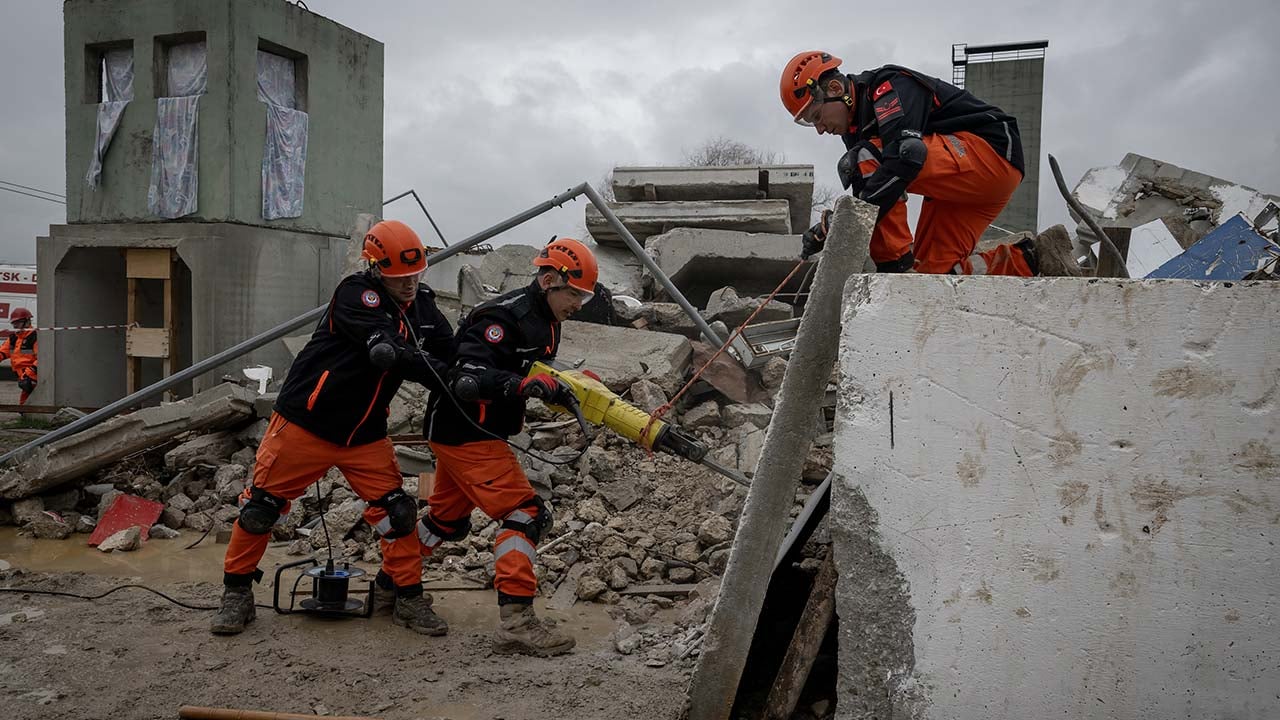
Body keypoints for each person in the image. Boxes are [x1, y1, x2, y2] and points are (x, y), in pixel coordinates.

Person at [211, 220, 455, 636]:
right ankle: (236, 593)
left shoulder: (424, 308)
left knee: (397, 513)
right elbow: (387, 350)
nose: (411, 285)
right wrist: (434, 370)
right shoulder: (355, 295)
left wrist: (477, 377)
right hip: (306, 424)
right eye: (400, 278)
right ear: (376, 269)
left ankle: (406, 597)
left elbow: (449, 355)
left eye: (416, 275)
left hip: (364, 435)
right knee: (260, 510)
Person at [420, 236, 597, 657]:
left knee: (445, 520)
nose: (578, 304)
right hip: (467, 430)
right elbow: (468, 377)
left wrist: (557, 386)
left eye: (584, 298)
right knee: (527, 514)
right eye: (575, 295)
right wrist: (523, 386)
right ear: (550, 279)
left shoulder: (547, 319)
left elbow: (527, 369)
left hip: (469, 430)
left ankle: (394, 585)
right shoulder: (502, 317)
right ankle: (517, 622)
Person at [781, 51, 1039, 276]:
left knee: (875, 157)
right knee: (931, 276)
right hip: (963, 186)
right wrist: (829, 228)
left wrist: (842, 224)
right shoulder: (853, 129)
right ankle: (1031, 259)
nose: (819, 129)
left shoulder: (888, 86)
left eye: (816, 117)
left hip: (990, 152)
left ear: (836, 89)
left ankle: (894, 272)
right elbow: (869, 196)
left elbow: (904, 158)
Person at [0, 308, 38, 405]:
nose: (15, 325)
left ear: (27, 321)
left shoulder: (35, 336)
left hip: (33, 376)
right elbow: (2, 352)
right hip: (23, 377)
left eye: (18, 322)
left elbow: (42, 359)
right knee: (24, 404)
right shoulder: (13, 338)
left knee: (26, 403)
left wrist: (28, 375)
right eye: (13, 323)